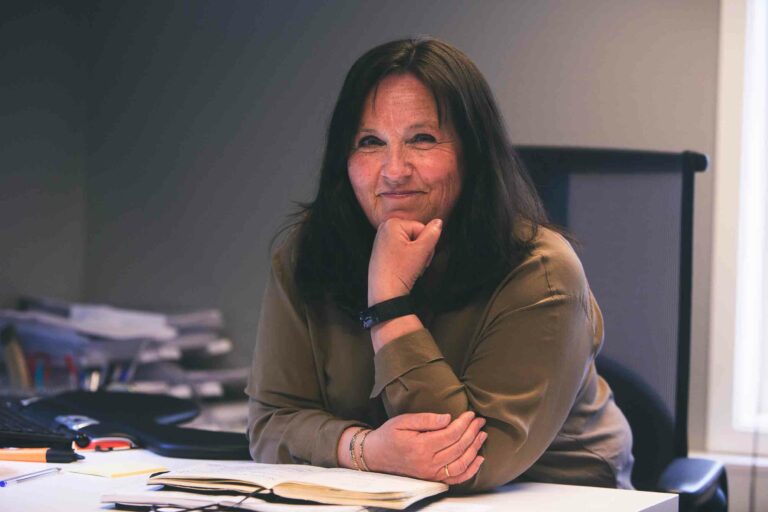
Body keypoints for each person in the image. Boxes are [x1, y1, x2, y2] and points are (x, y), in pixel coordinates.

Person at [246, 37, 634, 492]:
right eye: (370, 142)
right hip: (383, 496)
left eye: (422, 139)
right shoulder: (305, 255)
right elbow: (270, 424)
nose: (393, 170)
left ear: (473, 153)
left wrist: (389, 300)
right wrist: (364, 448)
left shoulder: (541, 272)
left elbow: (471, 464)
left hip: (557, 497)